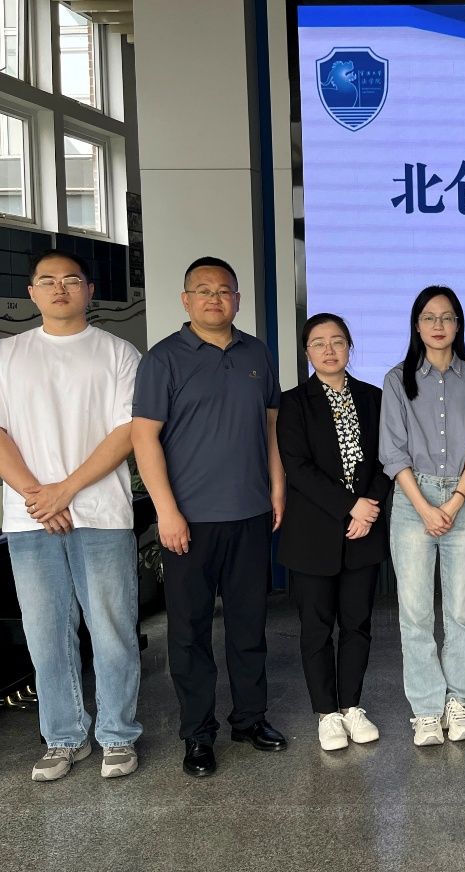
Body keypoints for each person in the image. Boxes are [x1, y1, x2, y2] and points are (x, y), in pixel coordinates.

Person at [132, 256, 288, 778]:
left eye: (224, 291)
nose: (214, 299)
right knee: (189, 632)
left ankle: (250, 719)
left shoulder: (257, 353)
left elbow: (269, 427)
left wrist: (277, 487)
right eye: (203, 290)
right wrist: (166, 512)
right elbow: (144, 439)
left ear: (237, 300)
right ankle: (198, 734)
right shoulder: (163, 359)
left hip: (250, 513)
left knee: (249, 625)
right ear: (186, 300)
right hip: (189, 521)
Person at [0, 250, 142, 781]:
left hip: (101, 513)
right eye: (48, 281)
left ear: (89, 290)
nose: (60, 289)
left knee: (112, 629)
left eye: (71, 280)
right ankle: (63, 737)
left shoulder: (118, 353)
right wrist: (38, 495)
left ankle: (118, 735)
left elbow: (127, 432)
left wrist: (65, 491)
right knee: (45, 635)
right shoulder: (8, 354)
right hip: (29, 517)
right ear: (31, 292)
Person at [380, 286, 465, 748]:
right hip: (413, 501)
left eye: (447, 317)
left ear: (459, 324)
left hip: (462, 500)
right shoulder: (396, 380)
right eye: (429, 317)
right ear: (417, 325)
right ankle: (426, 710)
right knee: (415, 613)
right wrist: (426, 507)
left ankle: (458, 702)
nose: (438, 325)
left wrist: (455, 501)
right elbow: (392, 452)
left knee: (461, 612)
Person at [277, 313, 391, 752]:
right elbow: (298, 467)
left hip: (364, 530)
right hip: (313, 533)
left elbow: (387, 459)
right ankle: (326, 713)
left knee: (358, 624)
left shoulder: (373, 398)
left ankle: (352, 707)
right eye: (319, 343)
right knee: (317, 627)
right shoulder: (294, 403)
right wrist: (350, 506)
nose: (329, 350)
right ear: (307, 352)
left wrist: (369, 508)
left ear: (349, 347)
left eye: (338, 341)